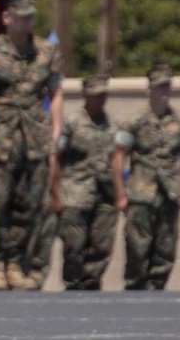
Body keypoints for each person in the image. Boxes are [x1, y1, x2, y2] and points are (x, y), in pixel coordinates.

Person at [0, 0, 63, 291]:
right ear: (6, 18)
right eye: (21, 17)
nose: (27, 22)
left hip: (35, 135)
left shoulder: (46, 52)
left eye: (30, 17)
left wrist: (55, 131)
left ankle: (15, 264)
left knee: (29, 203)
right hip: (1, 135)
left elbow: (55, 93)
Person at [112, 63, 180, 290]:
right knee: (137, 248)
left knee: (165, 250)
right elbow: (118, 158)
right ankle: (135, 290)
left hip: (168, 194)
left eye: (167, 86)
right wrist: (120, 194)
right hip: (141, 194)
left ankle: (156, 292)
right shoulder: (133, 123)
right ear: (149, 90)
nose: (164, 92)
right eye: (159, 87)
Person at [57, 73, 118, 290]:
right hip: (75, 193)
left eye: (103, 95)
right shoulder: (71, 124)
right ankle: (73, 283)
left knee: (102, 244)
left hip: (106, 194)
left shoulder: (114, 125)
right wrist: (55, 194)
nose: (100, 100)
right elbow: (56, 158)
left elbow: (119, 160)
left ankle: (92, 282)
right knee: (74, 244)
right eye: (95, 96)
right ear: (84, 96)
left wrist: (120, 193)